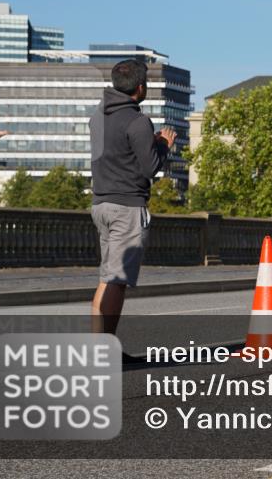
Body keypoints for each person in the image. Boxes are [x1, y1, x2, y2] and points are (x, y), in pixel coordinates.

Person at [89, 60, 175, 343]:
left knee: (107, 277)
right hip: (127, 205)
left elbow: (118, 152)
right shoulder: (138, 121)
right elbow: (149, 167)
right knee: (117, 280)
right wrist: (162, 144)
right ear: (141, 88)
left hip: (101, 202)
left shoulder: (98, 115)